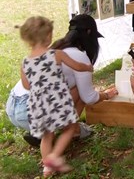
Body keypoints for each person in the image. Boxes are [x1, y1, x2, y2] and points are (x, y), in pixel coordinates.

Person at [6, 14, 118, 148]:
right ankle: (72, 130)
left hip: (13, 106)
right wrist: (106, 95)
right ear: (89, 34)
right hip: (29, 112)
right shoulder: (79, 56)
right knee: (79, 90)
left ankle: (40, 133)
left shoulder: (55, 48)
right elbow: (88, 97)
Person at [19, 16, 93, 177]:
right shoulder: (56, 54)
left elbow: (26, 85)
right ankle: (54, 156)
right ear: (47, 36)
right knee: (70, 127)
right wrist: (87, 67)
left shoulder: (25, 62)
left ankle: (47, 167)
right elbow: (77, 66)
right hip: (57, 101)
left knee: (47, 136)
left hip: (38, 105)